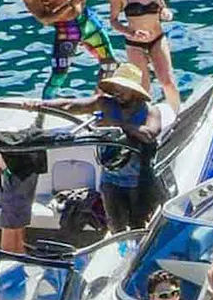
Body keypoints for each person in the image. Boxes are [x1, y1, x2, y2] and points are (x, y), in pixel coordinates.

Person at [24, 65, 162, 231]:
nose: (117, 93)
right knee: (115, 224)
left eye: (123, 89)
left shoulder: (150, 111)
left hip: (139, 180)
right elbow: (70, 105)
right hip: (110, 178)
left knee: (139, 225)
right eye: (115, 88)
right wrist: (41, 104)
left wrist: (116, 124)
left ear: (135, 91)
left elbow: (149, 134)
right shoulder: (105, 104)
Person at [108, 0, 181, 112]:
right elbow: (113, 20)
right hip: (135, 43)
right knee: (143, 87)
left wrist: (166, 13)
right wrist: (130, 32)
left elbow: (162, 8)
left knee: (167, 81)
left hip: (157, 39)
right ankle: (147, 118)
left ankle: (178, 113)